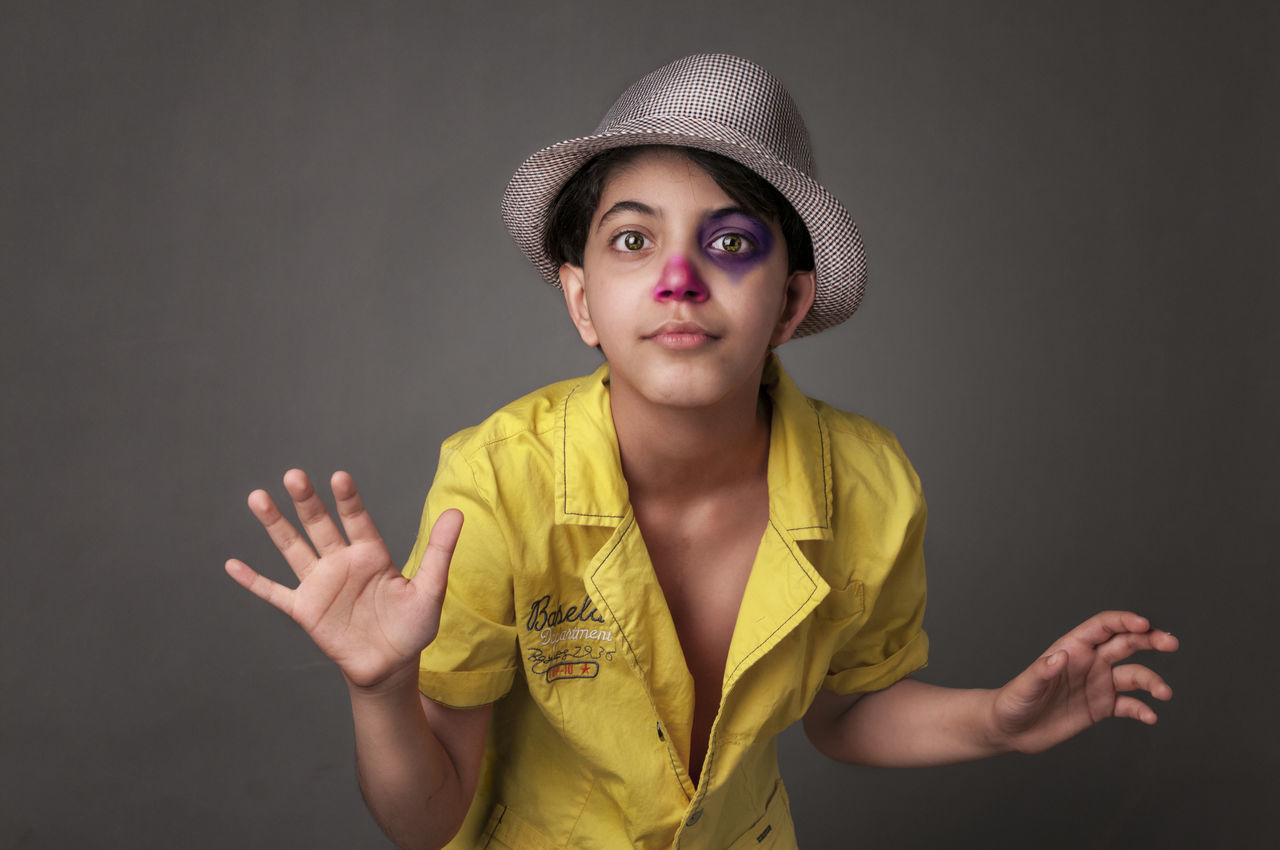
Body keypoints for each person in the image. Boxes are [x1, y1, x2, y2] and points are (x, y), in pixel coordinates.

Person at [225, 54, 1178, 849]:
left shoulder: (873, 486)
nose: (679, 280)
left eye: (729, 243)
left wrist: (995, 722)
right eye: (634, 240)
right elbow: (424, 823)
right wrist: (385, 690)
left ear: (791, 304)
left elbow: (846, 714)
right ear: (582, 299)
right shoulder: (498, 479)